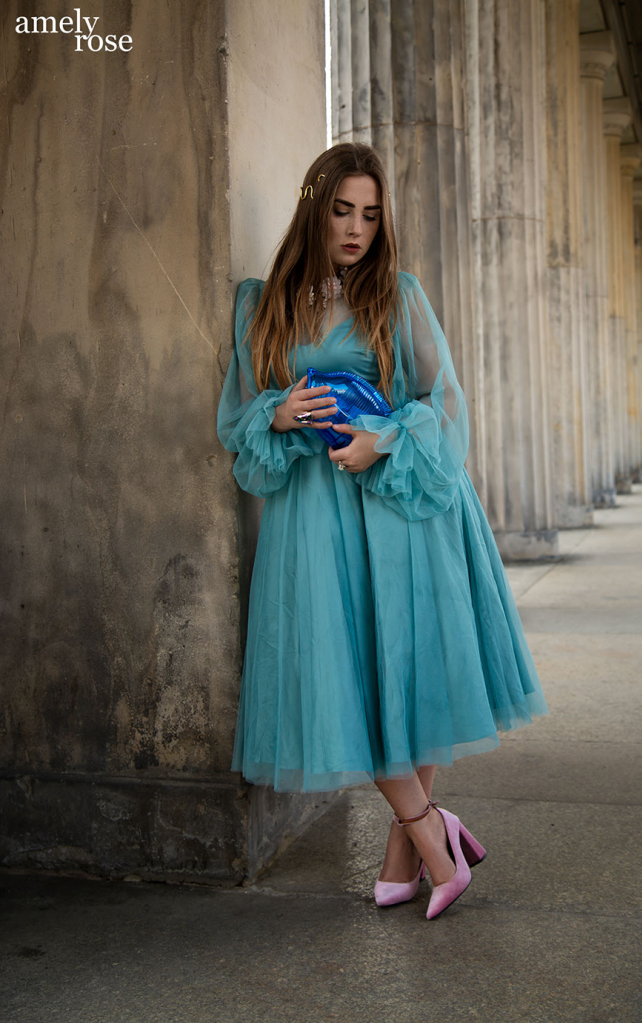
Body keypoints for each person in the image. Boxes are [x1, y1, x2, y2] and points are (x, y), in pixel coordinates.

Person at [217, 142, 548, 919]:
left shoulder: (396, 294)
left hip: (402, 508)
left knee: (413, 672)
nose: (357, 228)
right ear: (313, 208)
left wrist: (385, 440)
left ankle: (410, 847)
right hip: (314, 517)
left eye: (370, 213)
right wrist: (277, 410)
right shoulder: (258, 304)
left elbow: (446, 401)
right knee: (352, 674)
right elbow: (238, 420)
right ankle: (434, 834)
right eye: (342, 210)